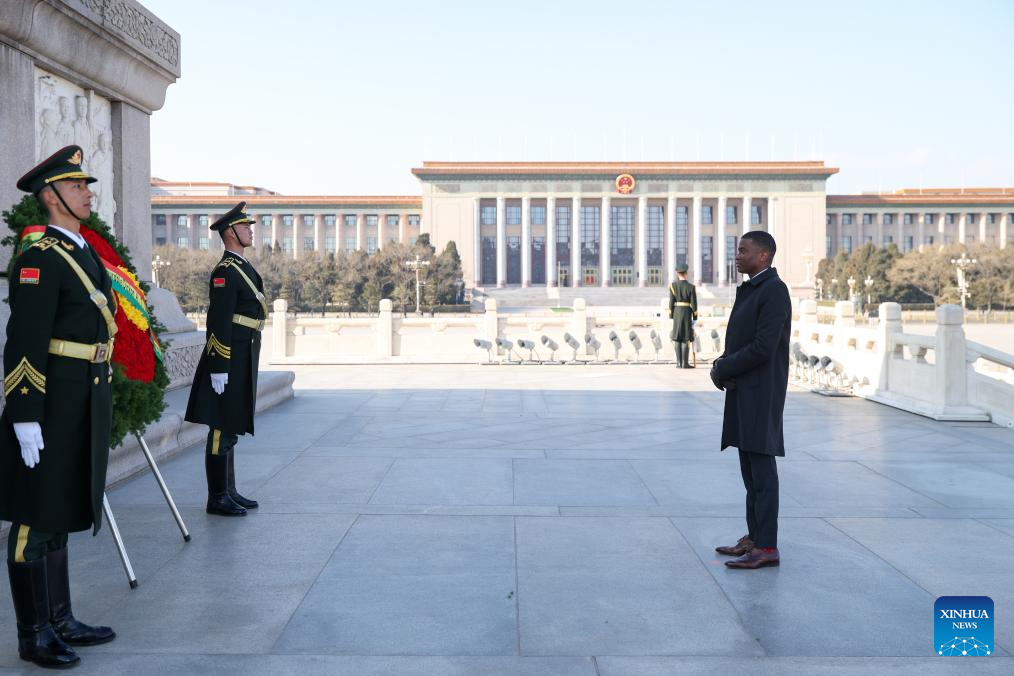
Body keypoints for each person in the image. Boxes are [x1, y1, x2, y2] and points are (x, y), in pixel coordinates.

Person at [0, 145, 117, 668]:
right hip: (48, 402)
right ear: (50, 197)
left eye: (85, 186)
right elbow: (23, 339)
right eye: (76, 187)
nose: (87, 193)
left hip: (83, 392)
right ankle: (33, 634)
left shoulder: (82, 250)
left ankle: (61, 618)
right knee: (35, 512)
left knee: (63, 501)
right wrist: (24, 412)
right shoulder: (38, 258)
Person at [709, 231, 791, 570]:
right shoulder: (753, 289)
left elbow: (762, 347)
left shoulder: (774, 291)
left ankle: (767, 546)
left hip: (761, 390)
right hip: (745, 388)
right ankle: (754, 537)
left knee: (762, 470)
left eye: (743, 250)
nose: (737, 255)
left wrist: (723, 366)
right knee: (749, 471)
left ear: (764, 255)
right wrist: (724, 364)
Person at [185, 202, 267, 517]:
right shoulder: (226, 271)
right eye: (245, 227)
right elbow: (218, 321)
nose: (249, 231)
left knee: (230, 423)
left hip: (243, 351)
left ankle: (229, 490)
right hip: (229, 356)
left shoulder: (242, 267)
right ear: (230, 232)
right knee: (221, 425)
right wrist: (219, 366)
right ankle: (217, 497)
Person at [668, 263, 697, 368]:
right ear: (686, 273)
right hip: (686, 312)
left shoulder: (673, 286)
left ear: (677, 274)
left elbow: (671, 303)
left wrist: (671, 315)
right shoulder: (691, 287)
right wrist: (695, 317)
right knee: (685, 337)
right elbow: (694, 304)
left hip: (676, 312)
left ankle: (678, 363)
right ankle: (685, 363)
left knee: (677, 337)